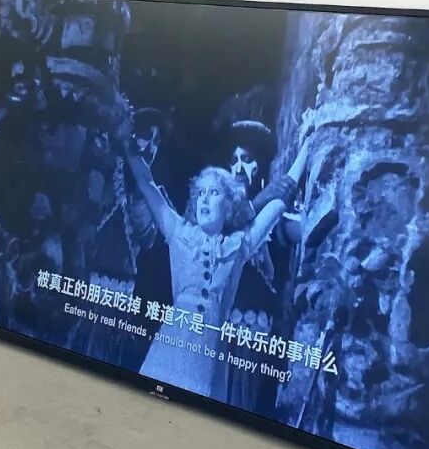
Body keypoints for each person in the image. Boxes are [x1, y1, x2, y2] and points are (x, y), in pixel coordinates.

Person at [124, 115, 315, 401]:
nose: (204, 198)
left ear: (229, 206)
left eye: (213, 193)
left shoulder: (238, 245)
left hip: (210, 362)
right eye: (200, 192)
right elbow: (146, 182)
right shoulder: (178, 232)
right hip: (169, 352)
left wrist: (309, 144)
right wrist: (126, 140)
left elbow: (278, 201)